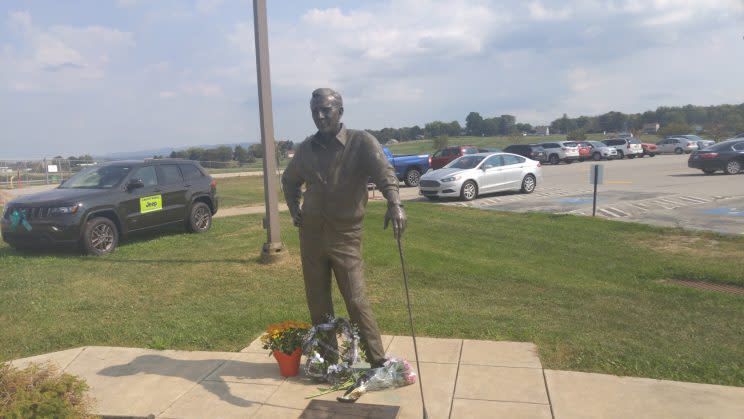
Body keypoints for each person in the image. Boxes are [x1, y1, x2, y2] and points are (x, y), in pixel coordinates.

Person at [281, 88, 406, 368]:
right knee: (318, 302)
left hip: (345, 236)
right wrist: (294, 210)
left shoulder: (361, 143)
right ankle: (329, 361)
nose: (320, 116)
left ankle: (378, 362)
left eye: (326, 110)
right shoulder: (306, 149)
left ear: (340, 110)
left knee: (356, 300)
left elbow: (385, 174)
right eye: (315, 111)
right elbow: (289, 181)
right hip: (311, 236)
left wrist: (395, 203)